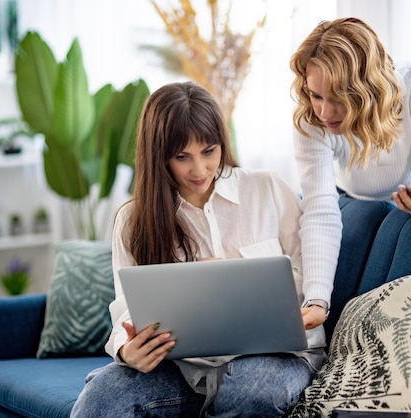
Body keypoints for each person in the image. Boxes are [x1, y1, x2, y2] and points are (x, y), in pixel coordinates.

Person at [70, 82, 327, 418]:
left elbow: (309, 279)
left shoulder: (268, 189)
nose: (200, 170)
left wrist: (231, 284)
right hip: (184, 369)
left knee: (250, 394)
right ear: (158, 155)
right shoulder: (133, 221)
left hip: (277, 357)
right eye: (182, 157)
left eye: (209, 151)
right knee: (100, 400)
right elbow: (127, 312)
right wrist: (126, 350)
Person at [289, 17, 411, 313]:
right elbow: (319, 210)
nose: (324, 111)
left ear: (368, 89)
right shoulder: (310, 117)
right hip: (354, 201)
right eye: (316, 94)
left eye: (339, 98)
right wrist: (316, 299)